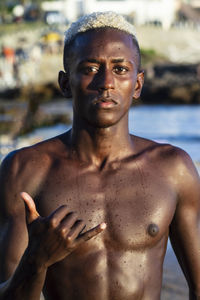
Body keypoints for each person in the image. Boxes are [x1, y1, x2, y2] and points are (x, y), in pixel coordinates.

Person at [0, 11, 200, 300]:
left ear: (138, 84)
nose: (106, 82)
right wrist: (36, 260)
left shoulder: (173, 168)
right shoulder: (25, 170)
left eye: (120, 69)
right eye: (90, 68)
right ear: (65, 83)